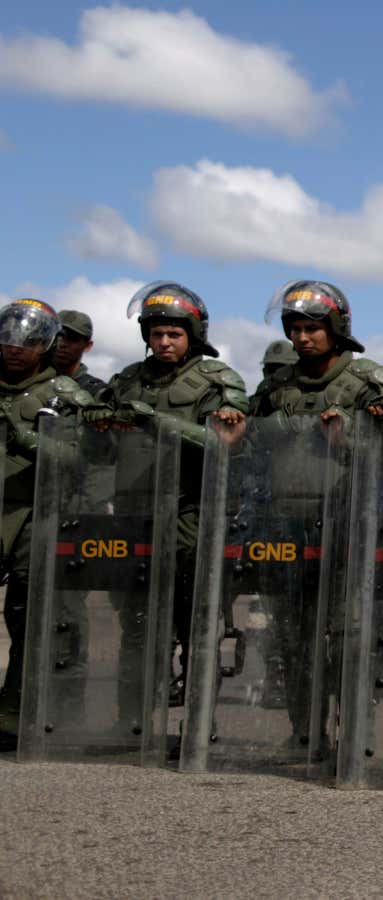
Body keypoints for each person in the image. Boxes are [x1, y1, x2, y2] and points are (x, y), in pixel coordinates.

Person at [245, 280, 383, 738]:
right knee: (294, 638)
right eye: (295, 328)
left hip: (347, 522)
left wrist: (350, 437)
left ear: (336, 328)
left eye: (312, 328)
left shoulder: (369, 380)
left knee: (348, 635)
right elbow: (250, 443)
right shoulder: (278, 383)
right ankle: (304, 731)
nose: (302, 338)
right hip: (286, 525)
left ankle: (356, 733)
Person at [104, 282, 247, 729]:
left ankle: (199, 727)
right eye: (156, 333)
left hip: (193, 512)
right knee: (137, 626)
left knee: (198, 625)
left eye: (174, 334)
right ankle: (133, 724)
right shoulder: (125, 381)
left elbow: (226, 442)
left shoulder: (219, 380)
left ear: (193, 335)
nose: (163, 342)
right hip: (134, 513)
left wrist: (158, 422)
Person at [0, 299, 105, 751]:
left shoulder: (67, 396)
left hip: (35, 515)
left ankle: (12, 714)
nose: (14, 350)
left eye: (26, 342)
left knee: (28, 616)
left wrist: (26, 440)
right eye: (7, 340)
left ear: (45, 346)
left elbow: (81, 457)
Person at [54, 310, 106, 397]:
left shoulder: (95, 392)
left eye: (72, 338)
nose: (62, 344)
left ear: (88, 346)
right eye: (58, 336)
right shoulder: (30, 380)